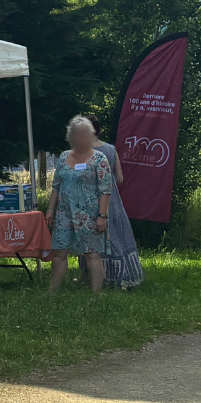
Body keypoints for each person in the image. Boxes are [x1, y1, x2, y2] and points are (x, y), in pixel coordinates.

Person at [46, 116, 114, 295]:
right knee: (59, 253)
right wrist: (50, 210)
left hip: (89, 214)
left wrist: (102, 216)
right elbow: (56, 186)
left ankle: (95, 295)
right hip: (64, 213)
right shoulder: (63, 157)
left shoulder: (99, 159)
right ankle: (51, 293)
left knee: (91, 254)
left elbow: (105, 190)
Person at [88, 118, 142, 290]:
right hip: (112, 200)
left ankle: (92, 277)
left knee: (91, 239)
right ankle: (122, 275)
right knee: (117, 235)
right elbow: (120, 178)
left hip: (89, 200)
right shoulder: (110, 150)